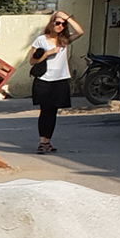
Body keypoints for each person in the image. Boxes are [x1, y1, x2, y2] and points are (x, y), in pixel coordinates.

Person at [30, 10, 83, 153]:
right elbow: (32, 61)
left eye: (63, 24)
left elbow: (80, 31)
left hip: (60, 79)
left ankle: (48, 142)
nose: (60, 26)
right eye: (58, 23)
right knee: (45, 110)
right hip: (44, 79)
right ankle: (42, 142)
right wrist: (47, 53)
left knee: (53, 111)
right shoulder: (41, 40)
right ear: (52, 23)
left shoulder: (64, 40)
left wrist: (67, 17)